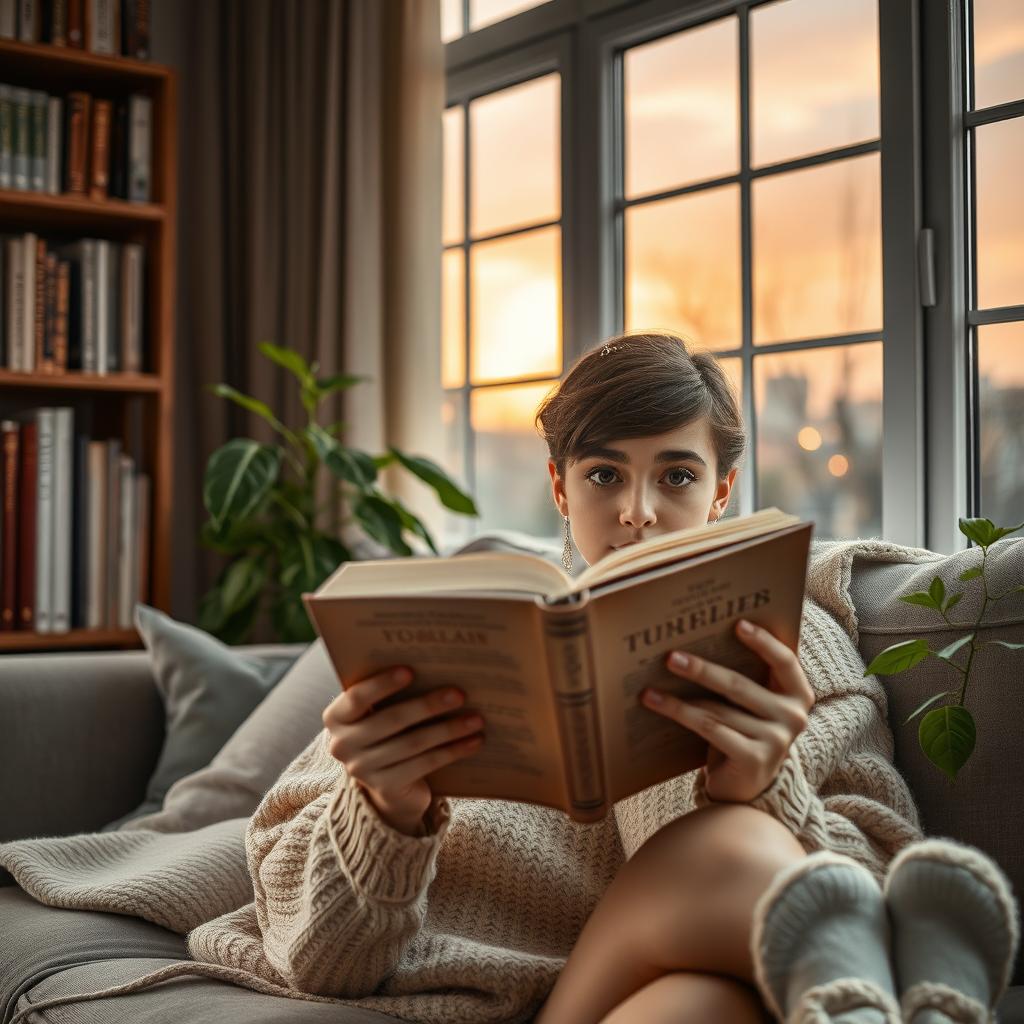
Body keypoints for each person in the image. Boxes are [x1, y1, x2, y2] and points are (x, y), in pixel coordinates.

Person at [9, 332, 1014, 1024]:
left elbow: (880, 872)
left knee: (715, 964)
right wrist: (387, 810)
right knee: (738, 860)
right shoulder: (466, 630)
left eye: (673, 473)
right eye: (603, 475)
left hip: (652, 983)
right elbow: (321, 955)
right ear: (558, 487)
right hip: (470, 989)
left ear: (721, 491)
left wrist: (765, 783)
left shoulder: (808, 643)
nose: (635, 511)